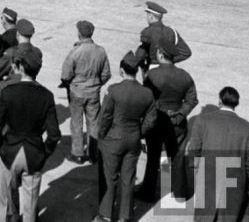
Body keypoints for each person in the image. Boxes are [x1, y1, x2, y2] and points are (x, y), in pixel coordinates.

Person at [0, 46, 61, 222]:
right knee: (31, 204)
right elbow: (54, 134)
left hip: (10, 151)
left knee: (5, 199)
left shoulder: (8, 92)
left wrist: (0, 147)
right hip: (34, 152)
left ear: (20, 67)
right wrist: (44, 152)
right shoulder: (46, 96)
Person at [95, 51, 157, 222]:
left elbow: (105, 116)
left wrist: (101, 135)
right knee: (128, 179)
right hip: (133, 138)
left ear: (122, 70)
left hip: (113, 139)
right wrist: (139, 132)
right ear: (136, 71)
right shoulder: (147, 93)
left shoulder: (114, 91)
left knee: (109, 177)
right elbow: (151, 120)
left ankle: (106, 214)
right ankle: (125, 217)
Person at [136, 38, 198, 202]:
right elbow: (192, 100)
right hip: (177, 124)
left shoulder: (152, 75)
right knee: (177, 158)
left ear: (161, 54)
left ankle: (148, 192)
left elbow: (145, 100)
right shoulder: (184, 76)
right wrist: (180, 114)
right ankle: (180, 193)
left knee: (153, 159)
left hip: (156, 122)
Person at [187, 86, 249, 220]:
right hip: (236, 181)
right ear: (236, 103)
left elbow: (193, 150)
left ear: (220, 101)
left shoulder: (202, 120)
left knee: (204, 216)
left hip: (207, 177)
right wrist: (247, 183)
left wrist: (198, 171)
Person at [61, 20, 111, 164]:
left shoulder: (76, 52)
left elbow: (65, 75)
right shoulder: (100, 51)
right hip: (93, 92)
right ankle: (93, 153)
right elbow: (106, 74)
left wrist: (72, 83)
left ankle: (77, 153)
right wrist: (96, 84)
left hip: (77, 92)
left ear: (79, 34)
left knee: (76, 122)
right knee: (93, 122)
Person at [135, 1, 191, 71]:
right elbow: (186, 53)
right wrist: (169, 60)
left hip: (152, 69)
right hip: (170, 69)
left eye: (147, 15)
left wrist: (143, 67)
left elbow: (140, 55)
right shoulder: (171, 31)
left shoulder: (147, 32)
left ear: (151, 17)